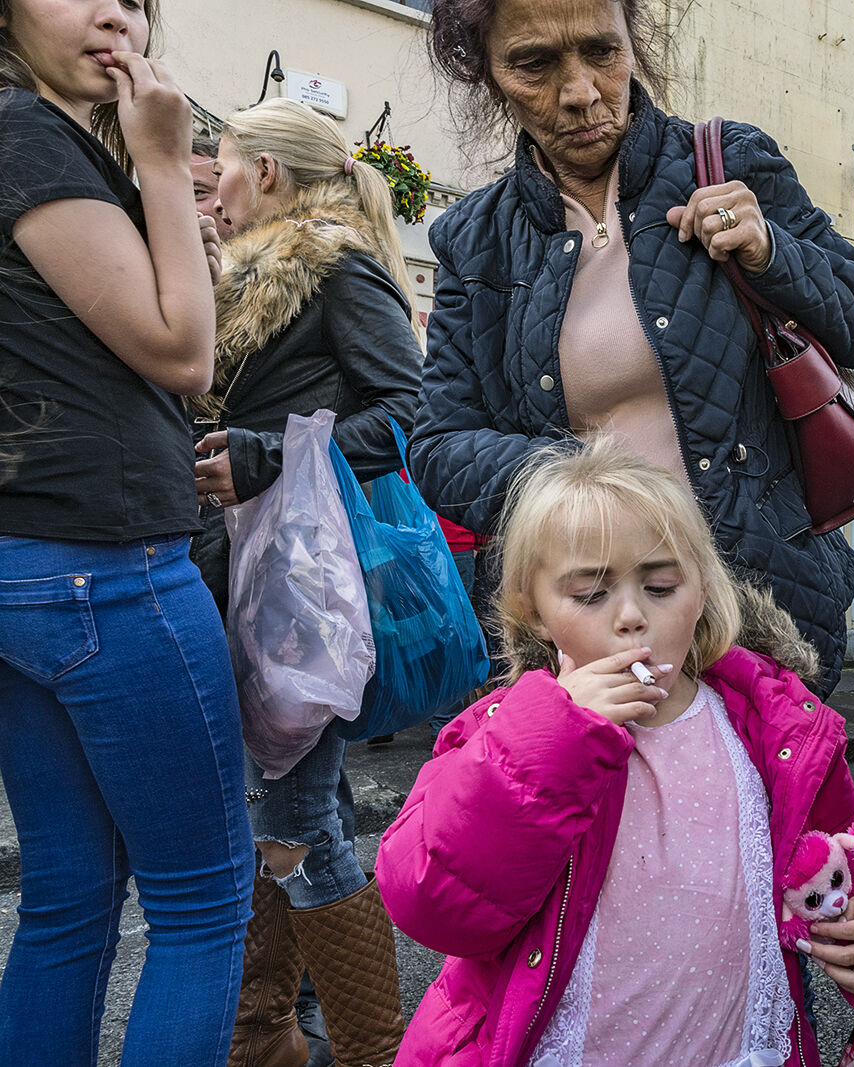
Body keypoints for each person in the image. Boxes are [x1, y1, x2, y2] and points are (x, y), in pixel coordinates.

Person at [409, 0, 854, 697]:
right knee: (596, 803)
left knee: (769, 801)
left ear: (631, 43)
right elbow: (437, 445)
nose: (581, 93)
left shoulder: (728, 160)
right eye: (534, 63)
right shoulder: (475, 238)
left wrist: (770, 250)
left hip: (761, 601)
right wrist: (599, 482)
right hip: (583, 631)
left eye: (602, 52)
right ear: (487, 73)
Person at [375, 438, 854, 1067]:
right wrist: (553, 737)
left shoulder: (771, 727)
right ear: (535, 610)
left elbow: (846, 853)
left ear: (704, 588)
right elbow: (432, 899)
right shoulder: (502, 736)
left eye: (661, 586)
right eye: (589, 594)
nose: (632, 616)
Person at [0, 1, 254, 1063]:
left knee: (69, 894)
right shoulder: (28, 135)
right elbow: (180, 352)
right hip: (108, 574)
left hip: (29, 568)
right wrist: (161, 162)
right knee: (202, 905)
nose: (113, 10)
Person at [190, 97, 424, 1066]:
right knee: (290, 815)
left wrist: (263, 452)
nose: (219, 187)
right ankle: (266, 1035)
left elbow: (405, 409)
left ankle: (372, 1048)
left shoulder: (334, 264)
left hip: (303, 587)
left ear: (271, 174)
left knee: (295, 822)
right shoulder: (247, 275)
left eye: (229, 167)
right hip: (253, 574)